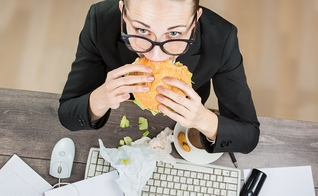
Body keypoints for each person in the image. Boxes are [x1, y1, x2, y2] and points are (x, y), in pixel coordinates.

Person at [58, 0, 260, 154]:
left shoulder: (222, 38)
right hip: (120, 118)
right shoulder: (99, 20)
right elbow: (67, 114)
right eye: (142, 30)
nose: (155, 56)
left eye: (174, 34)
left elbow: (249, 135)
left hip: (185, 118)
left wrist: (203, 119)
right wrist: (100, 98)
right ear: (123, 12)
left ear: (195, 20)